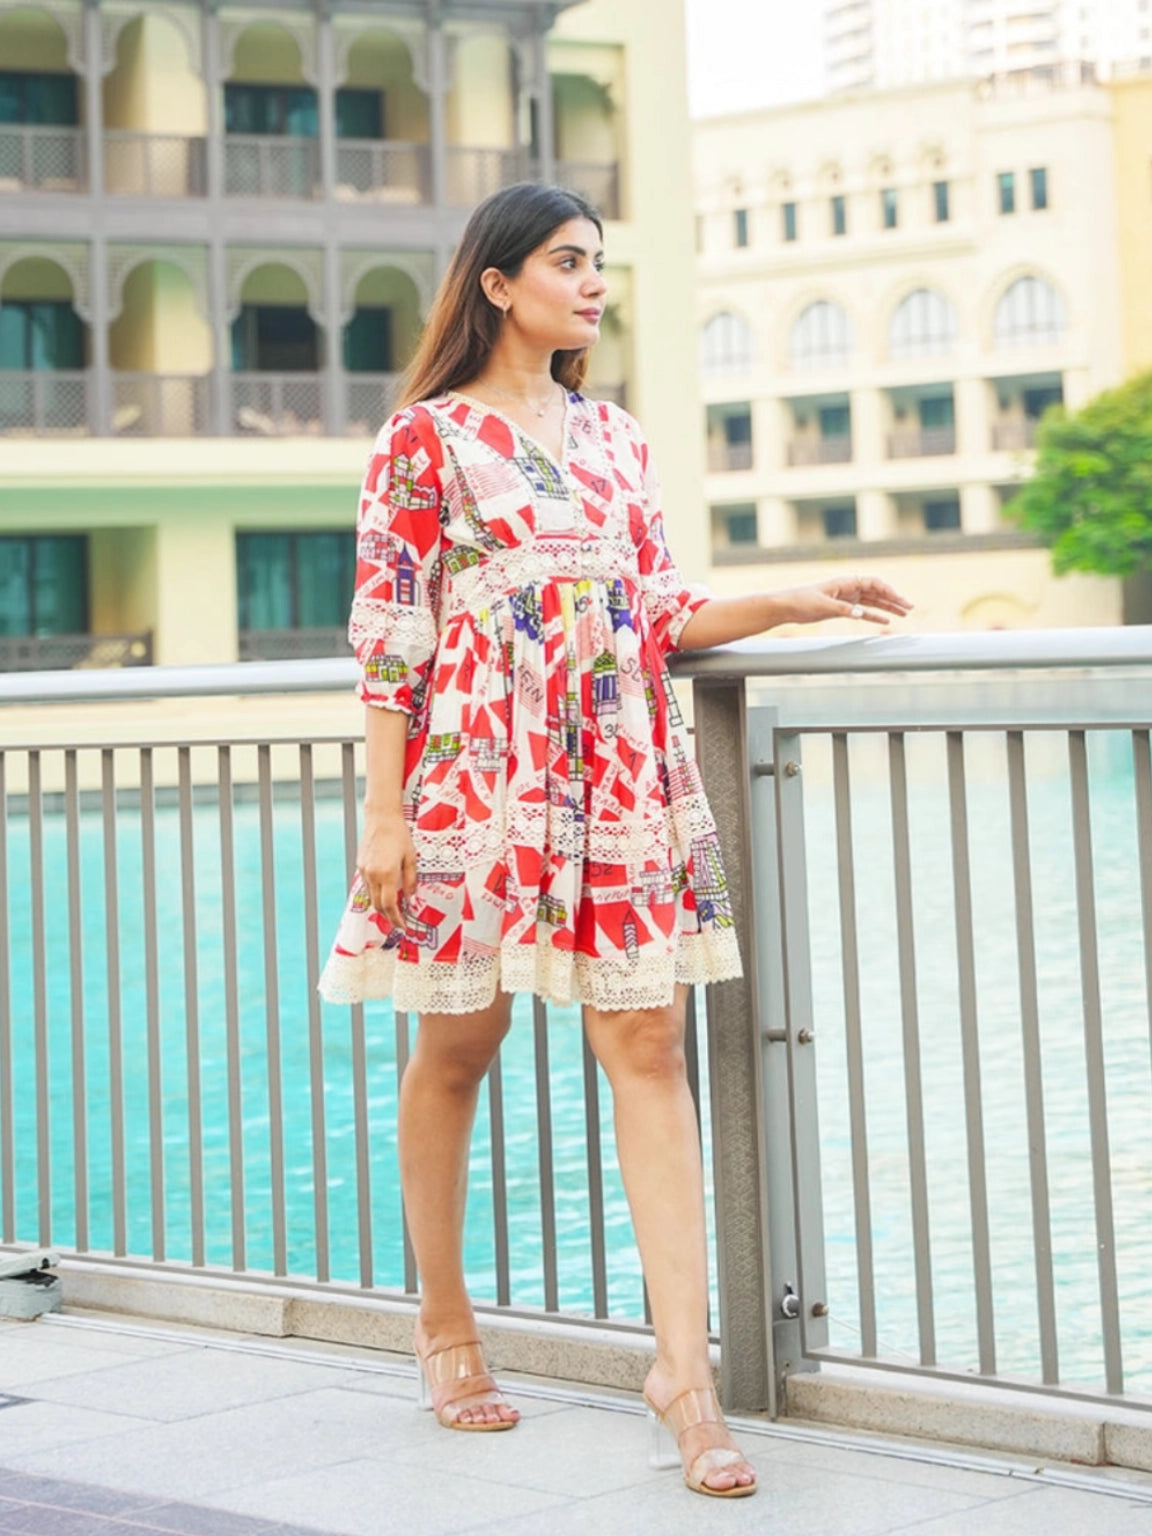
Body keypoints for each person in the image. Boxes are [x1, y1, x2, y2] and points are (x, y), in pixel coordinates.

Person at [319, 182, 911, 1499]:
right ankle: (445, 1324)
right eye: (568, 261)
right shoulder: (424, 442)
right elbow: (390, 639)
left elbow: (655, 608)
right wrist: (383, 813)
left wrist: (796, 602)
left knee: (646, 1040)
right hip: (474, 775)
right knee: (459, 1043)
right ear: (497, 281)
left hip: (617, 769)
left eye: (600, 264)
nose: (593, 284)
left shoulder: (618, 437)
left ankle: (684, 1375)